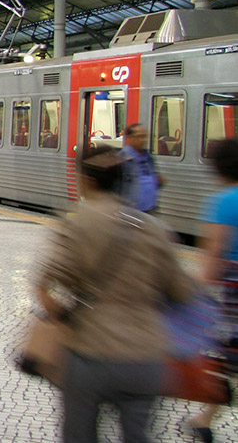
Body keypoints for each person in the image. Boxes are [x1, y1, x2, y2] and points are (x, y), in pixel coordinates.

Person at [35, 145, 193, 443]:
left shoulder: (77, 223)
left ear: (87, 181)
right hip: (146, 358)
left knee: (79, 435)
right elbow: (181, 291)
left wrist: (64, 320)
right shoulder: (155, 229)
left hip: (90, 355)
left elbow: (44, 286)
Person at [186, 138, 238, 443]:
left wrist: (195, 292)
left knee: (226, 359)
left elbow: (214, 253)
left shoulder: (221, 202)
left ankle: (204, 421)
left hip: (232, 288)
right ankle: (203, 420)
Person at [120, 123, 164, 214]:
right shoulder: (123, 158)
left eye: (145, 136)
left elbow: (155, 177)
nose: (143, 140)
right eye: (139, 136)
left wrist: (158, 181)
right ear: (130, 138)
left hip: (150, 209)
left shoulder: (148, 157)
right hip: (131, 210)